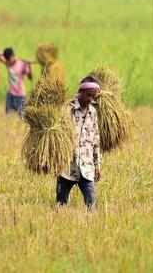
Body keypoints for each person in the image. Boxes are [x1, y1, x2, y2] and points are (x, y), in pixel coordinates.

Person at [56, 80, 102, 210]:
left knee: (91, 204)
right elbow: (57, 137)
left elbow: (96, 141)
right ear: (80, 93)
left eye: (93, 96)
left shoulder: (93, 112)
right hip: (67, 166)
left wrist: (97, 165)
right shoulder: (67, 110)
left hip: (87, 167)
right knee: (61, 204)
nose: (90, 99)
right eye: (88, 95)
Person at [0, 47, 33, 116]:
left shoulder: (22, 65)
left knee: (22, 116)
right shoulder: (8, 63)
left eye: (9, 60)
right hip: (10, 94)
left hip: (20, 96)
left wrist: (29, 65)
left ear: (12, 56)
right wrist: (3, 53)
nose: (8, 62)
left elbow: (30, 78)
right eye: (7, 60)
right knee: (8, 114)